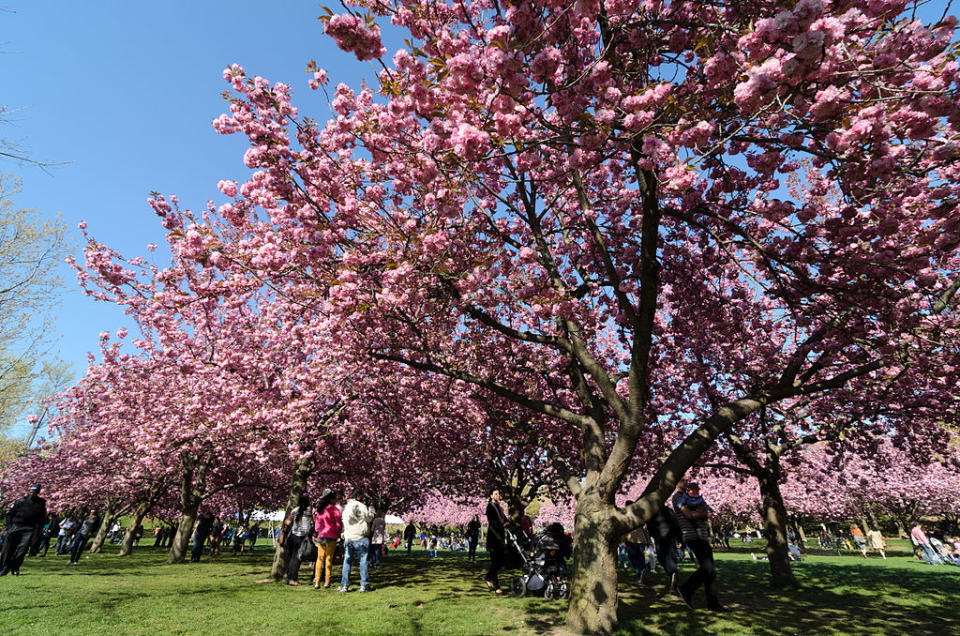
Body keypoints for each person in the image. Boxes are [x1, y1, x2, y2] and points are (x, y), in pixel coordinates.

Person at [675, 482, 726, 612]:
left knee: (711, 571)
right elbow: (689, 515)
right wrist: (700, 513)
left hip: (702, 536)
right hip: (693, 536)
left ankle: (713, 604)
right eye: (683, 481)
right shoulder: (678, 498)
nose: (686, 483)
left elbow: (704, 512)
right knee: (707, 568)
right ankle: (686, 588)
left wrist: (701, 512)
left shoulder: (694, 498)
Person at [0, 484, 47, 576]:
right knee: (7, 549)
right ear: (28, 491)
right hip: (15, 527)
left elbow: (42, 520)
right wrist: (9, 527)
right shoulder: (20, 502)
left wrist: (38, 532)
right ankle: (3, 568)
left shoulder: (41, 504)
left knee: (22, 550)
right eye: (31, 491)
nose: (32, 493)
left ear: (38, 492)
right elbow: (9, 515)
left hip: (29, 530)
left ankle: (15, 567)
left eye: (34, 492)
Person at [647, 486, 682, 592]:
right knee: (670, 557)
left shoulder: (652, 513)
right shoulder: (669, 511)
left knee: (662, 558)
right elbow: (677, 525)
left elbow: (650, 526)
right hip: (670, 537)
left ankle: (672, 573)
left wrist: (651, 536)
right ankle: (673, 573)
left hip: (659, 538)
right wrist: (679, 538)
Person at [340, 489, 374, 592]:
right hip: (360, 537)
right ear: (359, 496)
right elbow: (369, 518)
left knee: (347, 561)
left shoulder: (346, 507)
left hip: (349, 537)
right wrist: (371, 507)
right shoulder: (361, 506)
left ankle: (344, 585)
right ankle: (364, 584)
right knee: (363, 561)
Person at [282, 493, 314, 586]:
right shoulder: (311, 510)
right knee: (297, 558)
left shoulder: (294, 511)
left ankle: (288, 577)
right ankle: (293, 579)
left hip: (293, 536)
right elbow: (314, 521)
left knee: (292, 557)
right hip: (303, 537)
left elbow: (288, 522)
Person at [313, 488, 342, 589]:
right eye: (334, 499)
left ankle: (317, 582)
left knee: (319, 559)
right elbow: (338, 524)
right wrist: (338, 533)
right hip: (332, 536)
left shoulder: (320, 509)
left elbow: (317, 525)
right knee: (329, 559)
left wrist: (318, 531)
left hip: (321, 536)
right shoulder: (335, 510)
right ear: (331, 499)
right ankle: (327, 581)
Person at [483, 489, 508, 594]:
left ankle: (488, 577)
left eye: (499, 493)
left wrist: (508, 523)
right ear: (491, 495)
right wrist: (499, 537)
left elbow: (504, 519)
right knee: (495, 562)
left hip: (500, 537)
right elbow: (492, 524)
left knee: (501, 562)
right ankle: (497, 586)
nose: (498, 495)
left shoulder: (499, 507)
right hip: (494, 538)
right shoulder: (490, 507)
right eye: (496, 494)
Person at [622, 500, 650, 583]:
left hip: (631, 540)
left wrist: (623, 541)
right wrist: (648, 540)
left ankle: (640, 572)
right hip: (642, 540)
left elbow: (623, 530)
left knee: (633, 558)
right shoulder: (640, 516)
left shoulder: (625, 517)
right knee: (641, 558)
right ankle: (643, 571)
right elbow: (645, 529)